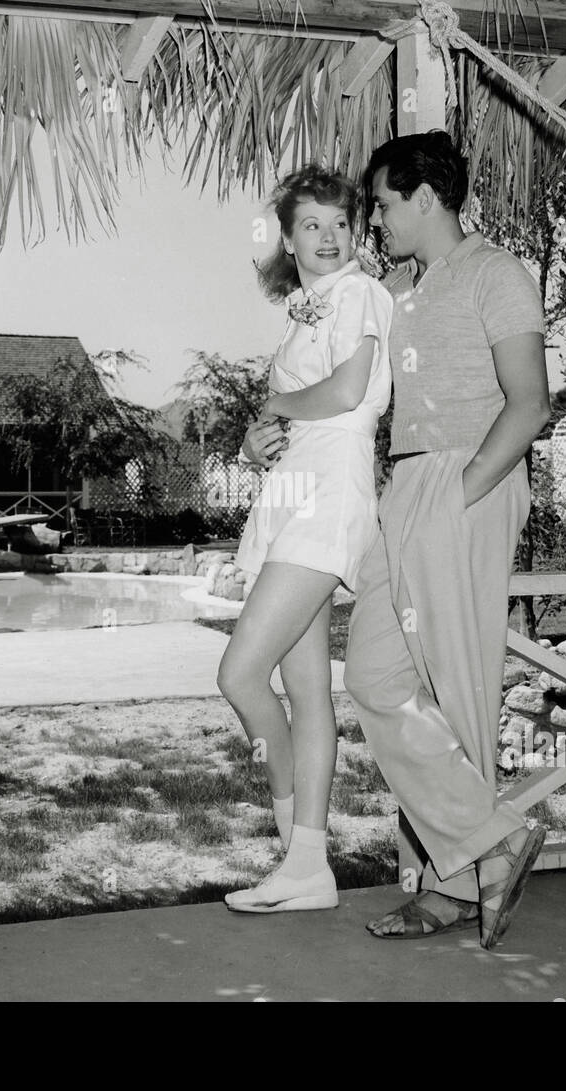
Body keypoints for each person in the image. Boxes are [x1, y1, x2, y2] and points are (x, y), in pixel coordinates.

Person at [340, 131, 552, 944]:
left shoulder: (497, 273)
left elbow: (529, 403)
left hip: (470, 476)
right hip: (409, 482)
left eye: (386, 203)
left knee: (457, 685)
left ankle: (449, 888)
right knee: (375, 674)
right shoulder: (402, 288)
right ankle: (492, 842)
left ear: (426, 196)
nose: (378, 219)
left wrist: (460, 498)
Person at [219, 165, 393, 913]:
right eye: (312, 226)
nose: (328, 238)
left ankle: (298, 851)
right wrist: (257, 440)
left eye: (341, 224)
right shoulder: (306, 310)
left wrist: (276, 403)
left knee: (239, 675)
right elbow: (289, 415)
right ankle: (307, 868)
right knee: (303, 690)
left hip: (328, 495)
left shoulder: (360, 294)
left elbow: (347, 394)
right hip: (293, 491)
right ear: (288, 239)